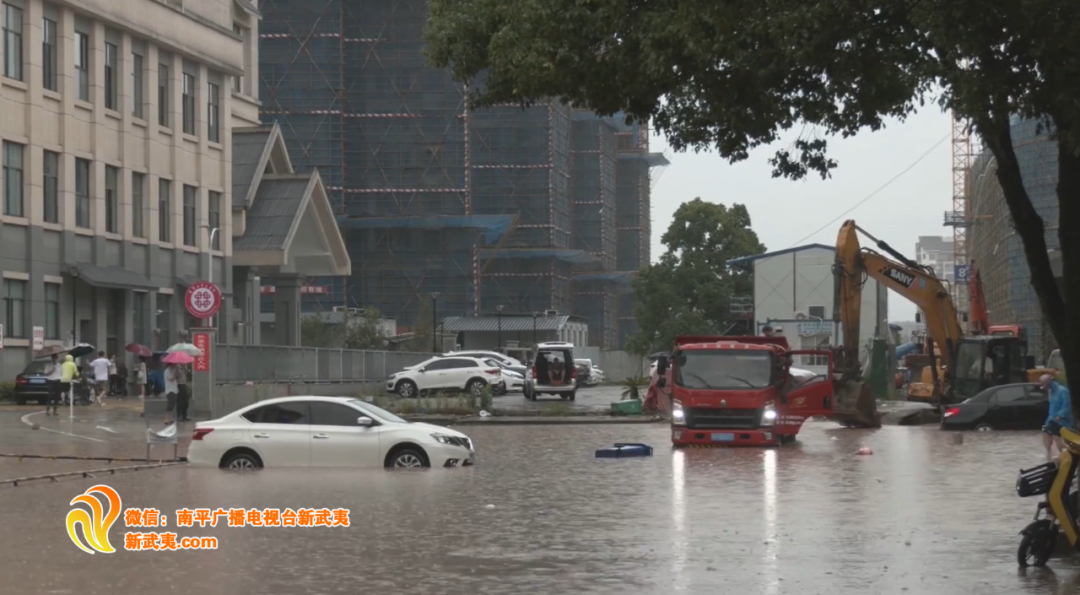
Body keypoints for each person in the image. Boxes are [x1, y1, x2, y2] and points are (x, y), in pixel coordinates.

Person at [1041, 373, 1073, 459]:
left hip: (1063, 420)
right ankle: (1048, 455)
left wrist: (1060, 415)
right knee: (1045, 433)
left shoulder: (1063, 391)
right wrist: (1049, 420)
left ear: (1050, 384)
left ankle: (1067, 455)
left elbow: (1067, 405)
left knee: (1057, 438)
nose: (1045, 388)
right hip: (1051, 419)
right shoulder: (1050, 392)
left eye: (1046, 386)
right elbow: (1052, 406)